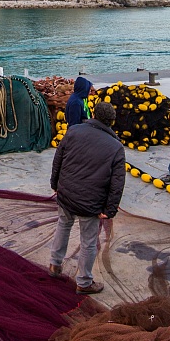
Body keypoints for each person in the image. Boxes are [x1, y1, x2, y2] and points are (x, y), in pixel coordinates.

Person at [49, 101, 125, 295]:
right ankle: (83, 282)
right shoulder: (116, 147)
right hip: (90, 202)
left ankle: (54, 265)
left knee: (63, 225)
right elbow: (117, 183)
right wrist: (110, 210)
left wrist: (55, 184)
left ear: (93, 114)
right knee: (89, 241)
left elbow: (58, 159)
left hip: (66, 193)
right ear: (111, 122)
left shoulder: (73, 130)